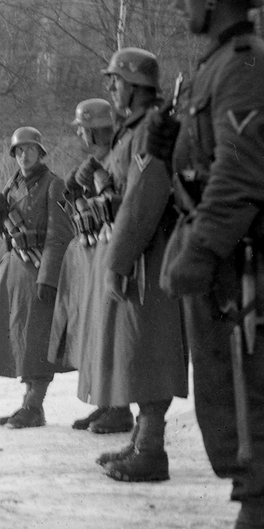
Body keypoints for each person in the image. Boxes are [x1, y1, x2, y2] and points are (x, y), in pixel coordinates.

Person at [152, 0, 264, 529]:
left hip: (240, 266)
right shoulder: (217, 65)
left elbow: (241, 173)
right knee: (225, 394)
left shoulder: (241, 66)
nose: (179, 0)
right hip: (224, 264)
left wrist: (201, 250)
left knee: (248, 394)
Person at [76, 48, 188, 482]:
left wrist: (119, 260)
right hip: (141, 249)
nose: (110, 88)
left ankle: (152, 450)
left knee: (150, 349)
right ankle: (143, 439)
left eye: (116, 80)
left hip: (151, 252)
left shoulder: (149, 131)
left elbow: (144, 201)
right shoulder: (133, 131)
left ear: (137, 85)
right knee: (138, 349)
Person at [49, 98, 132, 435]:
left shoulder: (118, 157)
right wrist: (77, 187)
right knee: (95, 331)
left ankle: (120, 407)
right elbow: (74, 201)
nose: (80, 134)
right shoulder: (99, 159)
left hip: (113, 250)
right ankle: (106, 402)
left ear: (97, 131)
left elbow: (122, 204)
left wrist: (98, 181)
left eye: (83, 129)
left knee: (111, 331)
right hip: (94, 250)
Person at [0, 126, 74, 428]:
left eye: (30, 150)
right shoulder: (12, 187)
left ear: (40, 153)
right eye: (19, 151)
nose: (24, 156)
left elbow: (60, 234)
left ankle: (35, 405)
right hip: (16, 272)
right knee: (22, 340)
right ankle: (28, 403)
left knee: (37, 340)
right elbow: (10, 237)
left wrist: (49, 278)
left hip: (38, 273)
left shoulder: (54, 185)